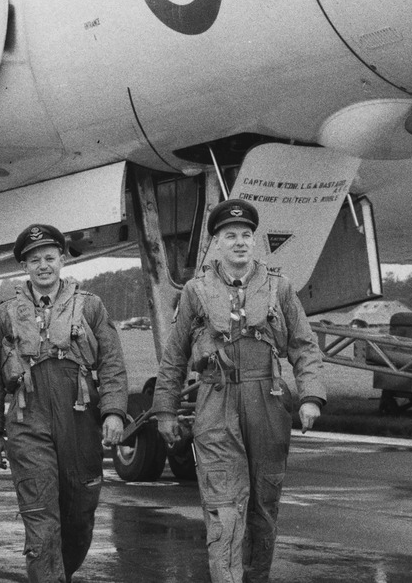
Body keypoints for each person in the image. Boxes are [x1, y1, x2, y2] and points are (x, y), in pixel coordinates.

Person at [152, 198, 326, 583]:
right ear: (216, 242)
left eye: (246, 235)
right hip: (216, 401)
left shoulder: (279, 288)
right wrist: (164, 409)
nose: (239, 242)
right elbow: (175, 354)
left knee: (264, 507)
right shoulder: (196, 292)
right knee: (224, 507)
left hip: (268, 400)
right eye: (230, 235)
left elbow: (303, 344)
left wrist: (311, 396)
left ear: (255, 241)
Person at [0, 224, 128, 583]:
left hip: (79, 420)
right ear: (24, 266)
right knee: (40, 517)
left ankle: (58, 573)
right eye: (34, 260)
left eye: (49, 257)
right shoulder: (6, 314)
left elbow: (111, 362)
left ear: (62, 259)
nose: (43, 265)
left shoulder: (91, 306)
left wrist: (113, 412)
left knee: (79, 515)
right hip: (27, 420)